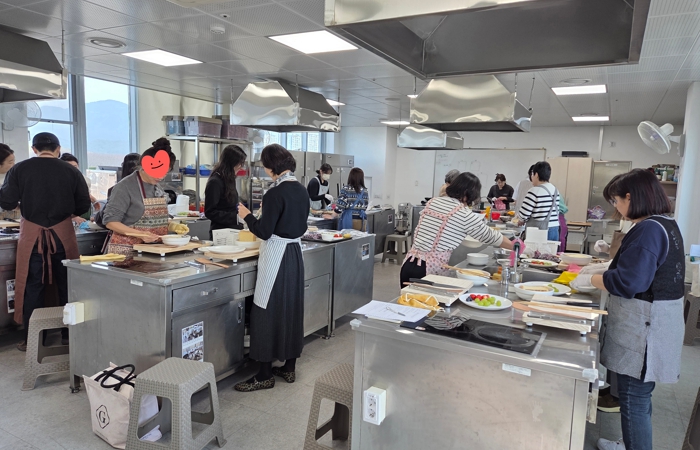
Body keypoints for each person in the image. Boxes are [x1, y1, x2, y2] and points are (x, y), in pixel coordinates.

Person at [571, 169, 685, 450]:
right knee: (640, 396)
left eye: (616, 200)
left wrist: (591, 280)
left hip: (645, 328)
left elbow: (629, 282)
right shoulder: (664, 223)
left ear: (631, 197)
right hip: (658, 321)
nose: (616, 207)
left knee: (634, 398)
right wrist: (604, 269)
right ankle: (629, 442)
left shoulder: (649, 229)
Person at [0, 133, 91, 351]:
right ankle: (69, 335)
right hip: (63, 234)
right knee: (67, 284)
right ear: (58, 149)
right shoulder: (71, 170)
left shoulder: (19, 169)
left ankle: (34, 339)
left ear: (34, 149)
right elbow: (83, 205)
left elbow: (6, 201)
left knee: (32, 284)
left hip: (32, 235)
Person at [234, 144, 308, 392]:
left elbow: (264, 231)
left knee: (265, 311)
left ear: (270, 167)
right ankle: (289, 367)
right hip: (295, 253)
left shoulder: (274, 194)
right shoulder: (301, 190)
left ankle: (264, 374)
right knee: (291, 309)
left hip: (277, 255)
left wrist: (246, 215)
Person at [400, 172, 515, 286]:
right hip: (428, 272)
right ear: (468, 194)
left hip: (408, 264)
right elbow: (491, 236)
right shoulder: (463, 213)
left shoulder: (433, 202)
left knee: (406, 298)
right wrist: (515, 246)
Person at [100, 138, 185, 255]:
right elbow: (110, 222)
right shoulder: (125, 187)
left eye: (165, 172)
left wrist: (171, 225)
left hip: (151, 252)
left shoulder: (157, 187)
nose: (161, 176)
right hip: (126, 253)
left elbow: (153, 221)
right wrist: (140, 234)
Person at [205, 145, 248, 237]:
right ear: (231, 162)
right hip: (221, 233)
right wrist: (235, 217)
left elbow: (230, 204)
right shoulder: (215, 182)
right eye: (239, 163)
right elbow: (210, 212)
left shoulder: (229, 179)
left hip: (234, 230)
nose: (241, 167)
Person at [517, 161, 561, 241]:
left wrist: (521, 220)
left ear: (536, 175)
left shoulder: (534, 190)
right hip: (554, 230)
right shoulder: (555, 190)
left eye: (532, 174)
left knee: (535, 250)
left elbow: (524, 214)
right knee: (551, 249)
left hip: (538, 232)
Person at [59, 153, 98, 223]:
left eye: (75, 167)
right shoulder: (58, 182)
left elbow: (86, 194)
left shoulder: (84, 179)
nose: (73, 170)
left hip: (83, 215)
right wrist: (73, 217)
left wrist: (95, 203)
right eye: (69, 167)